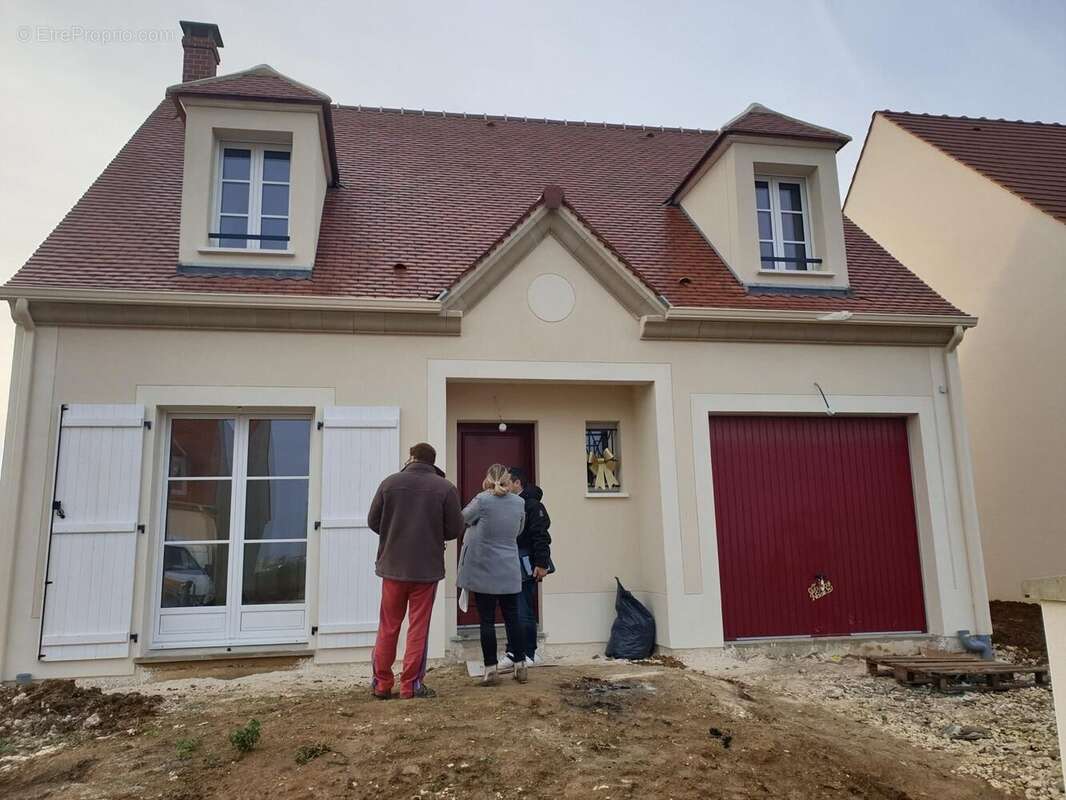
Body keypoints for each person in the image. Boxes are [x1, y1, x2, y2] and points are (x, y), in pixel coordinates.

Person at [367, 442, 464, 699]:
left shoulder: (389, 483)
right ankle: (411, 685)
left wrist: (393, 533)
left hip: (393, 567)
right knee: (418, 627)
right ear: (432, 462)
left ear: (411, 457)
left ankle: (381, 684)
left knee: (388, 625)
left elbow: (373, 521)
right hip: (426, 569)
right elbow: (455, 529)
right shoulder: (446, 488)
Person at [457, 464, 528, 685]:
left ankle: (490, 670)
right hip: (508, 569)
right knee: (512, 618)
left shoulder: (482, 500)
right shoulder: (519, 502)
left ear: (487, 479)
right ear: (507, 480)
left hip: (484, 570)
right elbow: (519, 530)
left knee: (486, 620)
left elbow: (463, 518)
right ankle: (520, 664)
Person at [502, 466, 551, 668]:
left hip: (527, 564)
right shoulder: (513, 503)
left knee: (523, 609)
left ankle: (529, 652)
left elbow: (541, 535)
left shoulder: (532, 505)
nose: (503, 487)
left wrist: (541, 563)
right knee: (512, 609)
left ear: (517, 483)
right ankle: (513, 651)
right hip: (511, 562)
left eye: (506, 483)